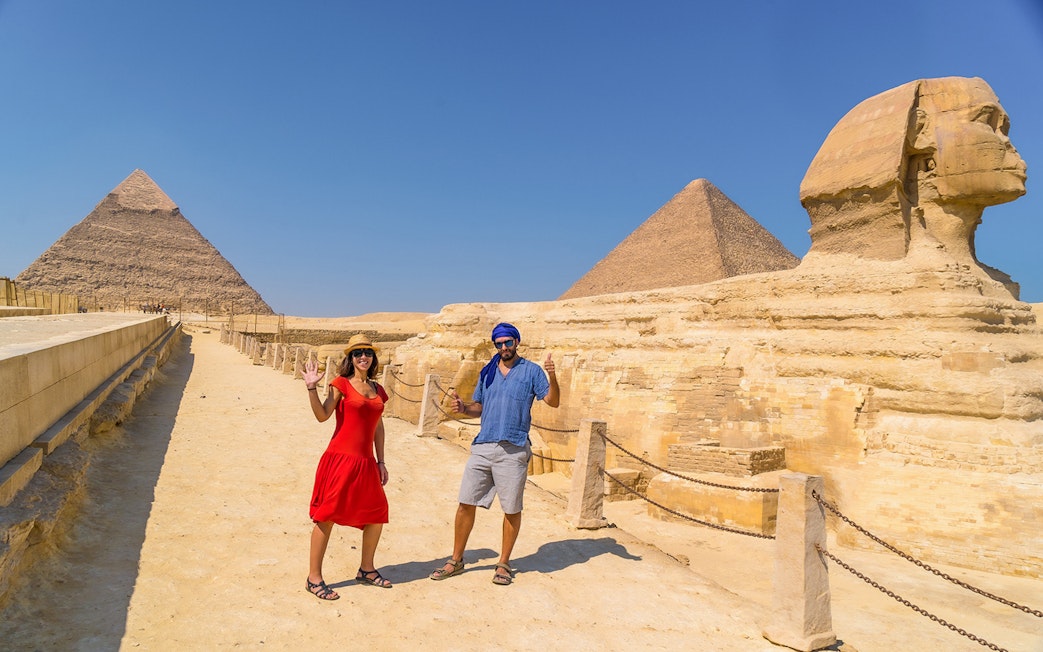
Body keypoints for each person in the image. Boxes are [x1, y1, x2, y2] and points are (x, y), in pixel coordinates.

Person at [430, 322, 559, 586]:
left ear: (517, 342)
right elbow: (480, 406)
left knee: (511, 508)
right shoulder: (487, 372)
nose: (503, 348)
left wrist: (552, 376)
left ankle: (504, 563)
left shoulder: (532, 372)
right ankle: (456, 559)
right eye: (499, 344)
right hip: (484, 446)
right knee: (466, 502)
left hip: (513, 448)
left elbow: (553, 401)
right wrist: (464, 408)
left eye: (508, 343)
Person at [301, 333, 391, 600]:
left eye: (368, 352)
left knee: (377, 514)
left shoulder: (378, 390)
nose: (363, 357)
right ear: (350, 358)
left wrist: (381, 461)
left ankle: (366, 569)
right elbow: (322, 416)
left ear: (373, 358)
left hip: (365, 463)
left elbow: (378, 427)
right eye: (357, 353)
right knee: (326, 516)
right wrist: (310, 388)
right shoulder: (340, 384)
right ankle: (313, 578)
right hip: (340, 460)